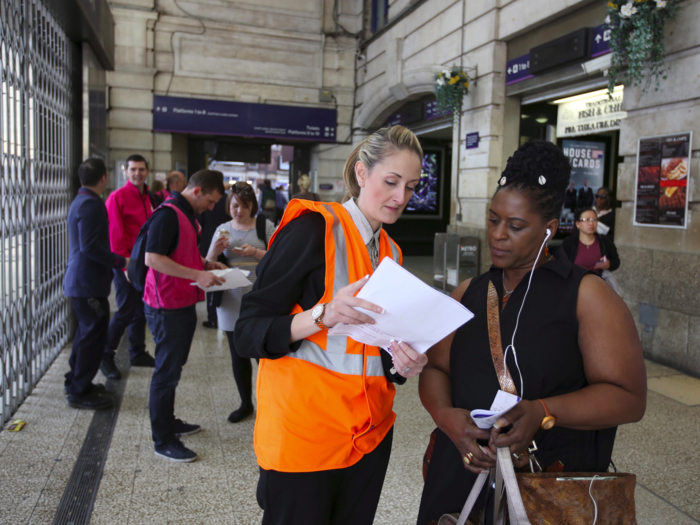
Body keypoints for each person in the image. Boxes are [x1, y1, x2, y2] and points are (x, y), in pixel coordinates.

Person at [417, 140, 646, 525]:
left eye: (516, 225)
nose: (498, 235)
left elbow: (628, 398)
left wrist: (543, 412)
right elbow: (436, 369)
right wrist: (446, 417)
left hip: (546, 484)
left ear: (549, 230)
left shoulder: (585, 295)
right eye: (493, 220)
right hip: (460, 473)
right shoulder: (469, 291)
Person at [234, 126, 429, 525]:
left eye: (411, 187)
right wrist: (323, 315)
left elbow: (374, 353)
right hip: (305, 437)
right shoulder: (314, 228)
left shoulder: (390, 252)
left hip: (369, 438)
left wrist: (403, 363)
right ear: (361, 173)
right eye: (391, 182)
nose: (400, 198)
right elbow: (248, 331)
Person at [143, 169, 228, 462]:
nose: (212, 207)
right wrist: (196, 274)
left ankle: (169, 421)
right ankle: (163, 439)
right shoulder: (168, 214)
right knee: (166, 373)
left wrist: (205, 265)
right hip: (165, 305)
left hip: (180, 302)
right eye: (211, 200)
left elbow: (180, 253)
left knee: (174, 367)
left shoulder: (186, 214)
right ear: (197, 190)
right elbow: (152, 258)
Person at [206, 182, 275, 423]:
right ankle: (246, 403)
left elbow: (281, 256)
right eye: (235, 206)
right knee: (238, 356)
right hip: (230, 298)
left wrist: (255, 253)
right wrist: (213, 252)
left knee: (262, 356)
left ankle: (269, 403)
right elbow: (208, 263)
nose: (239, 211)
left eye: (245, 206)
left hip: (259, 299)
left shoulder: (264, 226)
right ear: (229, 205)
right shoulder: (222, 229)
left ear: (252, 206)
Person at [64, 159, 127, 410]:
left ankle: (78, 383)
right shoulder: (90, 205)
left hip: (85, 283)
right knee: (92, 337)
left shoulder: (82, 200)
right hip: (86, 283)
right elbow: (90, 247)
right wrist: (120, 261)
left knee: (85, 335)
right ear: (104, 178)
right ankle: (79, 392)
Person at [102, 154, 156, 379]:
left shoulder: (148, 197)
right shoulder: (117, 198)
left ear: (147, 171)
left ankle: (137, 352)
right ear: (126, 171)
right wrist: (124, 267)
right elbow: (115, 236)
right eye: (133, 169)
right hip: (125, 263)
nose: (137, 174)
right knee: (124, 310)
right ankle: (105, 355)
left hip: (144, 262)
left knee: (140, 310)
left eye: (141, 169)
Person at [198, 186, 231, 329]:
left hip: (209, 243)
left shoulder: (206, 202)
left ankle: (213, 318)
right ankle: (225, 314)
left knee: (212, 280)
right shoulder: (229, 200)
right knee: (227, 278)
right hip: (228, 241)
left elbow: (200, 224)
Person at [559, 207, 620, 276]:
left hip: (597, 283)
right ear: (577, 224)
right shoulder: (569, 243)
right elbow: (560, 264)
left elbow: (616, 262)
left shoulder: (605, 241)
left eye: (594, 220)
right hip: (574, 283)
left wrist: (609, 264)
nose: (591, 223)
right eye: (587, 220)